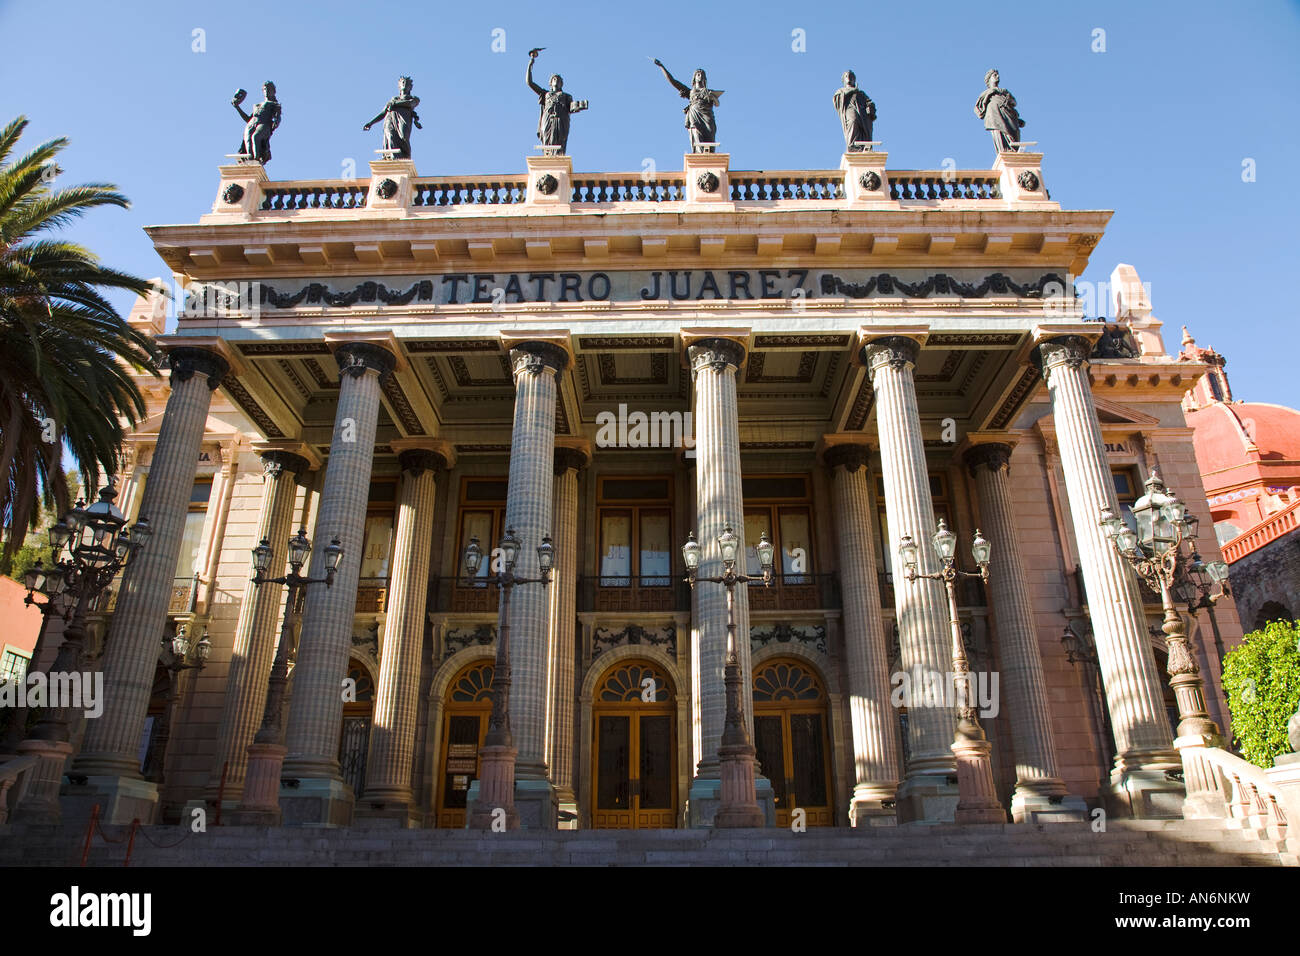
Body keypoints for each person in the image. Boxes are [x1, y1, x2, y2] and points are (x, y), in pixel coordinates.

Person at [652, 59, 722, 152]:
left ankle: (709, 156)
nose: (700, 76)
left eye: (702, 75)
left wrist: (712, 97)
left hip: (707, 115)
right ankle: (699, 154)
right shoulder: (690, 92)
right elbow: (673, 81)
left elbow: (717, 104)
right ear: (694, 77)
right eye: (698, 74)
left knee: (710, 134)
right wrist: (662, 67)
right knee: (696, 132)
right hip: (694, 113)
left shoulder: (708, 91)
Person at [526, 51, 586, 154]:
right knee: (547, 138)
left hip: (561, 119)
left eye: (559, 80)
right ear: (550, 82)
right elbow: (529, 82)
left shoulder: (566, 96)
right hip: (548, 117)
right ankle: (547, 156)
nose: (556, 80)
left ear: (561, 83)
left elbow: (571, 107)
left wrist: (579, 105)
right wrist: (530, 64)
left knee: (560, 140)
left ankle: (558, 157)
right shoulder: (545, 93)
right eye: (554, 79)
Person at [363, 76, 422, 159]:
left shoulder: (414, 99)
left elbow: (410, 103)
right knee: (390, 135)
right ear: (399, 86)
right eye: (402, 82)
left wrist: (395, 104)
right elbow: (384, 112)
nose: (404, 84)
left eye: (406, 83)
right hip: (390, 119)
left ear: (410, 87)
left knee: (403, 137)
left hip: (403, 119)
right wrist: (371, 123)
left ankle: (405, 156)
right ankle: (392, 156)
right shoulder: (393, 100)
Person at [973, 69, 1025, 154]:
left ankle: (1014, 151)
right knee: (1000, 132)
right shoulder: (986, 93)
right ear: (989, 79)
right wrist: (991, 93)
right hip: (995, 114)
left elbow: (1014, 103)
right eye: (995, 75)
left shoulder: (1004, 91)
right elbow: (978, 108)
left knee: (1014, 132)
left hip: (1008, 115)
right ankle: (1005, 150)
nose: (998, 76)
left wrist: (1017, 118)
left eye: (997, 75)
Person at [232, 81, 281, 164]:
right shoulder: (257, 105)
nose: (266, 91)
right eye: (265, 89)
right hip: (251, 124)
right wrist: (237, 107)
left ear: (274, 91)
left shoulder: (274, 104)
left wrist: (277, 121)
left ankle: (257, 159)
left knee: (256, 136)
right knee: (248, 139)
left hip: (264, 124)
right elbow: (248, 119)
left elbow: (278, 116)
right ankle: (250, 160)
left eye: (269, 89)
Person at [833, 70, 876, 152]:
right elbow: (837, 99)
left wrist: (870, 107)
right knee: (853, 120)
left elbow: (869, 102)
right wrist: (852, 90)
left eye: (851, 76)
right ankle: (852, 144)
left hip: (862, 112)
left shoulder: (861, 93)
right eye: (847, 76)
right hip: (850, 108)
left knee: (863, 127)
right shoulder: (841, 91)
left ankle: (864, 145)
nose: (849, 78)